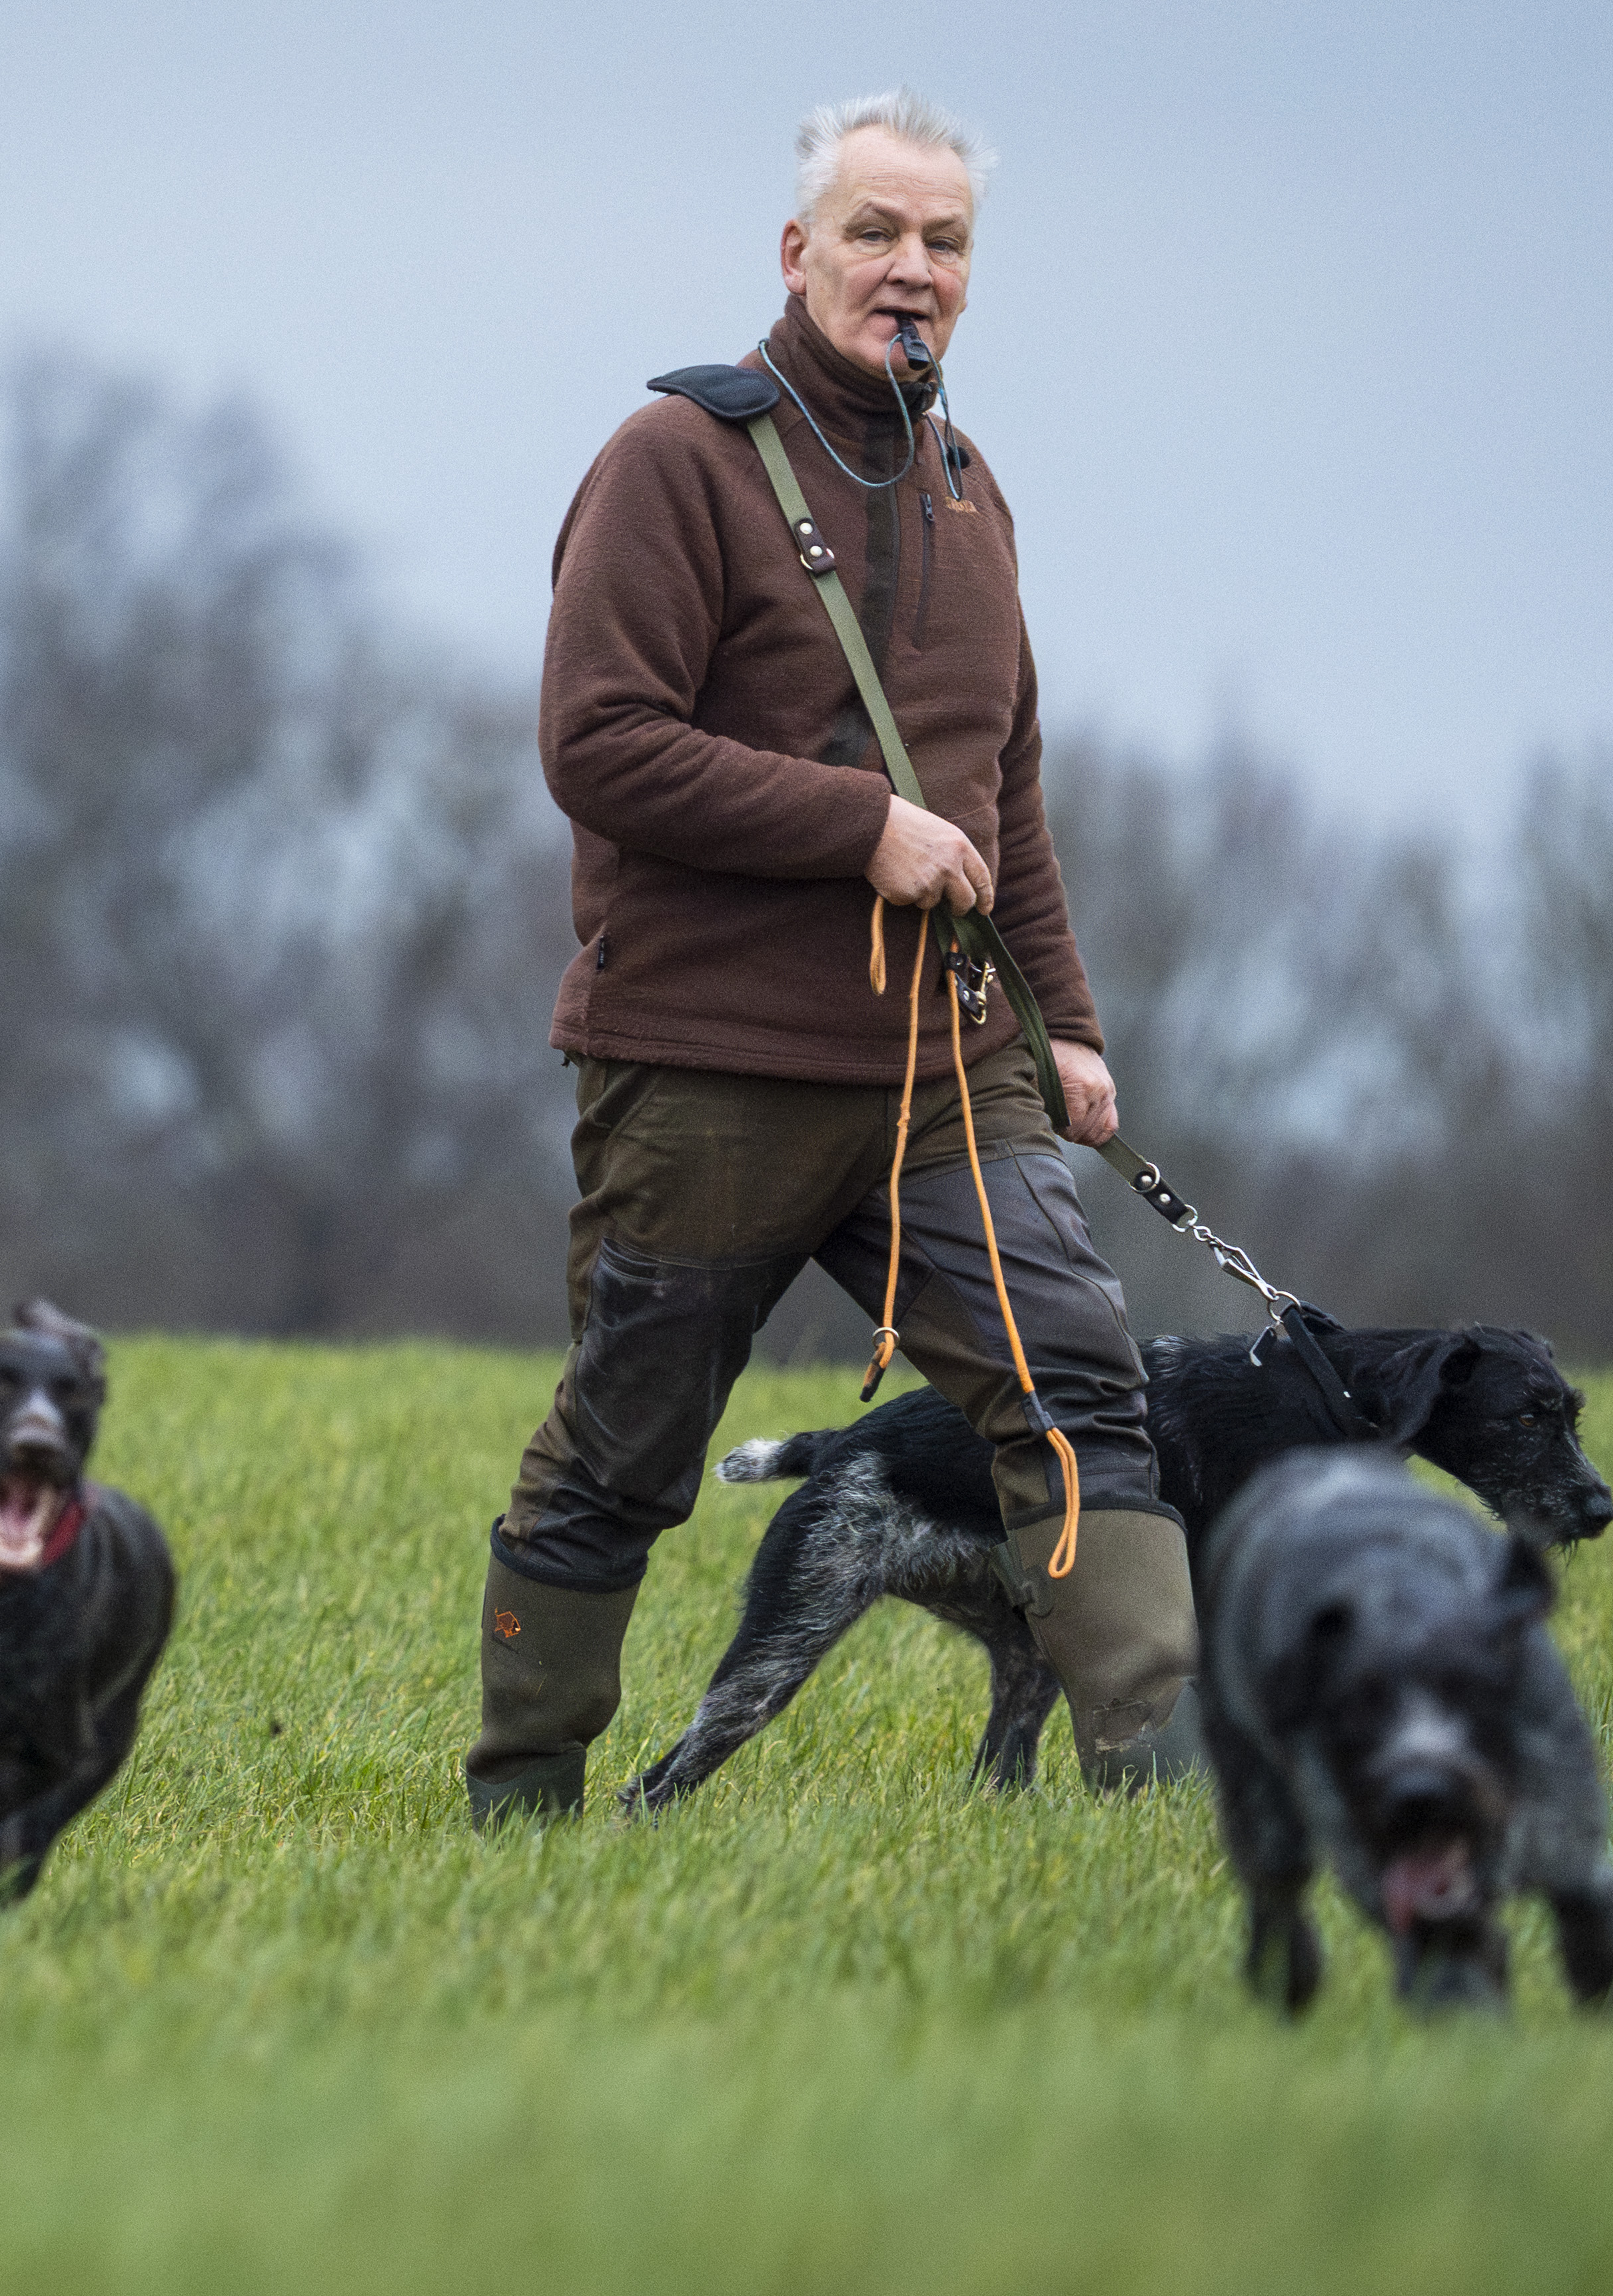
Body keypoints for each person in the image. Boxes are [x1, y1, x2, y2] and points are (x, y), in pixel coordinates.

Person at [466, 89, 1197, 1822]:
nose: (910, 269)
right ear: (798, 255)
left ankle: (1155, 1792)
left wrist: (1067, 1031)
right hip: (708, 1065)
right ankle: (517, 1806)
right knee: (624, 1449)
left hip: (950, 1073)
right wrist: (851, 825)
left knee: (1076, 1388)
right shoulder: (673, 464)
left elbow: (999, 789)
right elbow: (596, 741)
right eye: (874, 233)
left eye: (943, 242)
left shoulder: (968, 486)